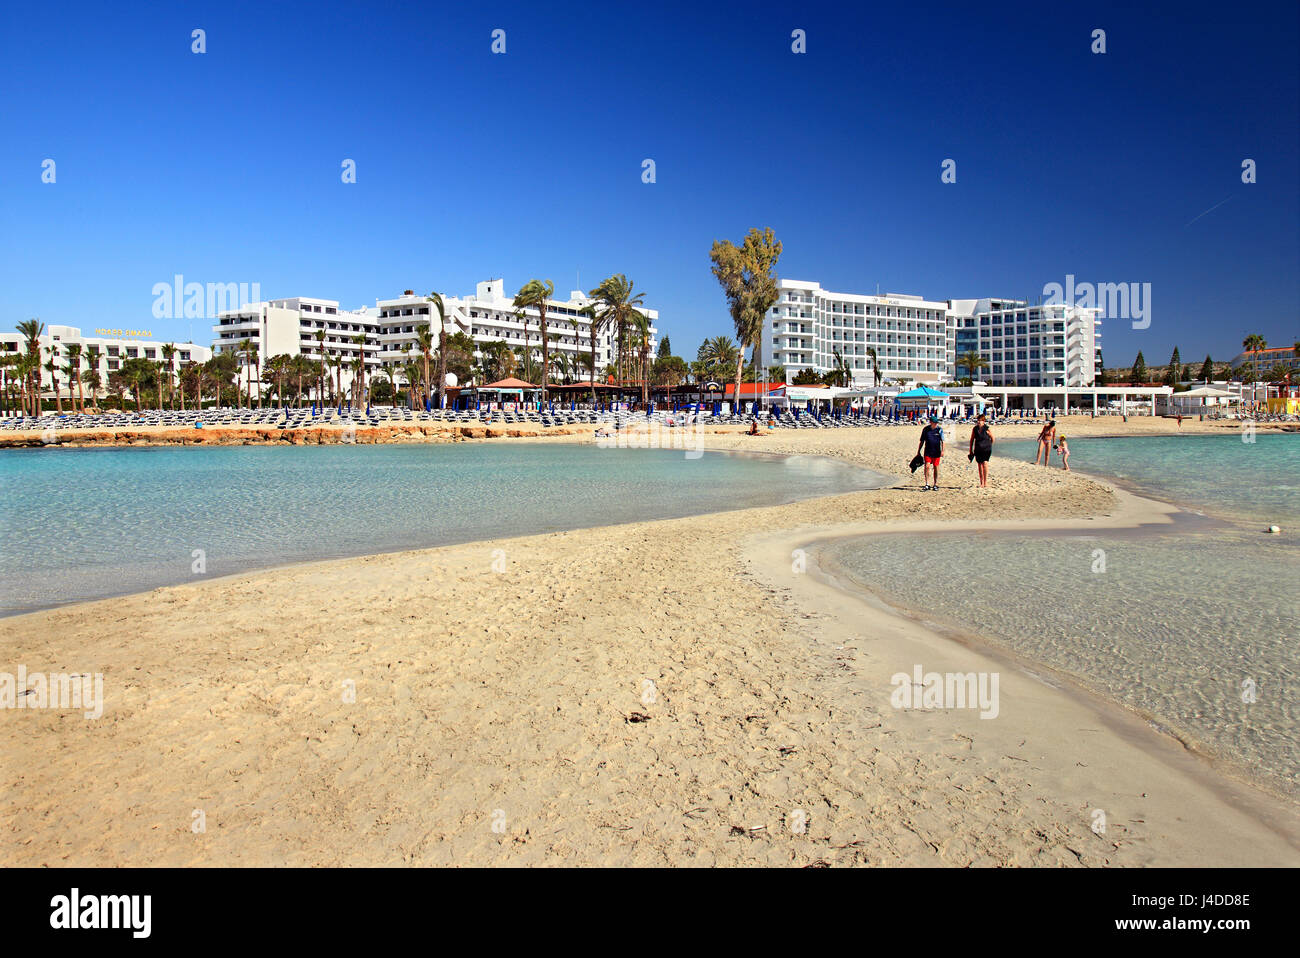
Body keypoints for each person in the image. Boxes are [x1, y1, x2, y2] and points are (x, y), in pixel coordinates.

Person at [917, 413, 945, 491]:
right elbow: (922, 441)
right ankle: (927, 484)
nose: (936, 424)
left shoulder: (939, 429)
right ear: (931, 422)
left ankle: (935, 484)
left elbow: (943, 441)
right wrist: (918, 451)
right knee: (927, 466)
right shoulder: (926, 430)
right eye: (934, 422)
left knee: (936, 467)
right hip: (928, 451)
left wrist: (942, 451)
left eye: (936, 423)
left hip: (936, 452)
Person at [968, 412, 994, 487]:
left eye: (980, 420)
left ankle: (985, 482)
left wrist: (989, 445)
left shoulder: (987, 428)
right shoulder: (975, 429)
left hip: (986, 449)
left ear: (984, 421)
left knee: (985, 464)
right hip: (978, 449)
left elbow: (993, 438)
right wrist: (970, 450)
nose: (979, 422)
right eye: (978, 420)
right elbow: (972, 440)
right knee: (979, 465)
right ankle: (981, 482)